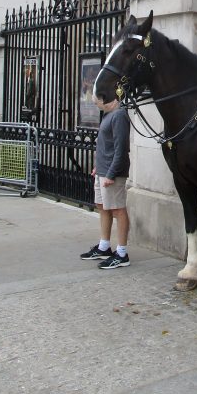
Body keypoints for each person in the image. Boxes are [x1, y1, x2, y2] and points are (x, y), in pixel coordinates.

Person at [80, 98, 131, 269]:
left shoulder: (119, 115)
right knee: (102, 206)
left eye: (97, 101)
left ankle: (122, 253)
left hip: (112, 172)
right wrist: (98, 167)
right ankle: (104, 246)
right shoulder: (109, 115)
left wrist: (111, 173)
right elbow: (105, 145)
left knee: (118, 209)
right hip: (103, 169)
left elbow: (121, 148)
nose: (95, 104)